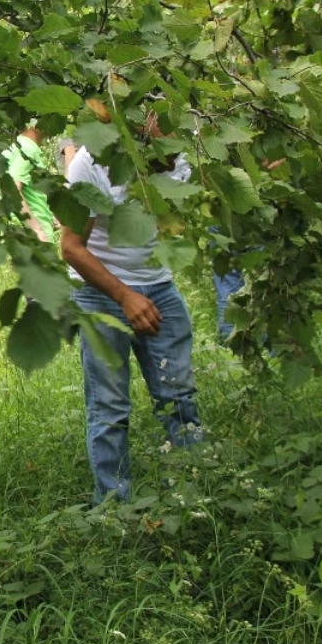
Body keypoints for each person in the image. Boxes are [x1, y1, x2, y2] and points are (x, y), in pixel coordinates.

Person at [60, 118, 203, 504]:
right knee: (109, 408)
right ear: (144, 124)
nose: (173, 151)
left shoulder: (179, 158)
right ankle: (113, 509)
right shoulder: (91, 163)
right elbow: (72, 248)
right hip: (101, 293)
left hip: (159, 289)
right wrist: (125, 296)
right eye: (166, 132)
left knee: (179, 396)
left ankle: (196, 496)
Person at [2, 126, 58, 243]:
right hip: (33, 239)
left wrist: (47, 217)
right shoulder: (28, 150)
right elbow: (11, 189)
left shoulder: (12, 148)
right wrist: (36, 229)